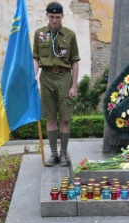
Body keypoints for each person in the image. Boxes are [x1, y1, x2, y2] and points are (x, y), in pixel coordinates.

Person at [33, 2, 80, 167]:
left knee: (65, 119)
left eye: (57, 17)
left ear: (62, 17)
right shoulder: (39, 34)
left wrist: (74, 86)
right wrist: (34, 75)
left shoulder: (70, 35)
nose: (54, 20)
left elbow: (74, 61)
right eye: (51, 17)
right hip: (46, 77)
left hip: (64, 77)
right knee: (50, 118)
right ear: (47, 16)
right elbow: (36, 58)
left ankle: (63, 154)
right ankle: (53, 154)